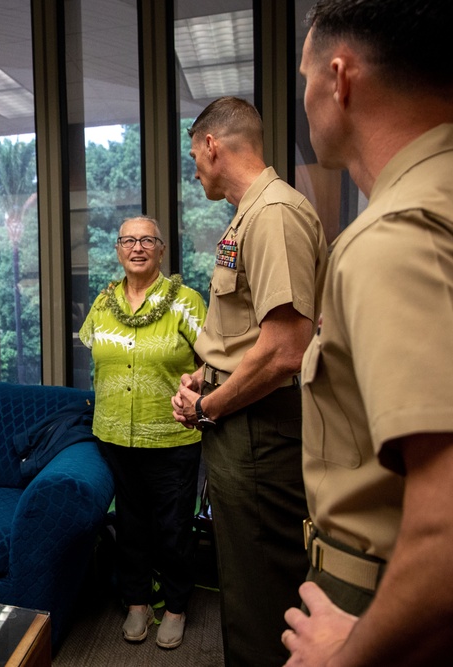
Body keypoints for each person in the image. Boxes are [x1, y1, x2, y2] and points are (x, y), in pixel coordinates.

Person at [282, 2, 453, 665]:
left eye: (305, 79)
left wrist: (344, 656)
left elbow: (442, 535)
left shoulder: (394, 239)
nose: (305, 99)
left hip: (385, 602)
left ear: (340, 78)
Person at [170, 97, 327, 666]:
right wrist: (204, 373)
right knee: (243, 580)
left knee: (263, 594)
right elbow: (248, 336)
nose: (194, 169)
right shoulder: (250, 215)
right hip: (245, 425)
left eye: (194, 155)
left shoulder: (273, 214)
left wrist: (208, 405)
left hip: (261, 432)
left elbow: (285, 348)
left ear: (213, 145)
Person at [80, 216, 208, 650]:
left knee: (173, 527)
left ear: (161, 249)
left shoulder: (186, 301)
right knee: (129, 524)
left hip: (172, 434)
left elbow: (216, 359)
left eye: (147, 240)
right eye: (129, 240)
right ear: (118, 249)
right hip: (114, 433)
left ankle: (175, 607)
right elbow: (96, 360)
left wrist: (196, 383)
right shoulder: (102, 304)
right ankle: (136, 602)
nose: (137, 247)